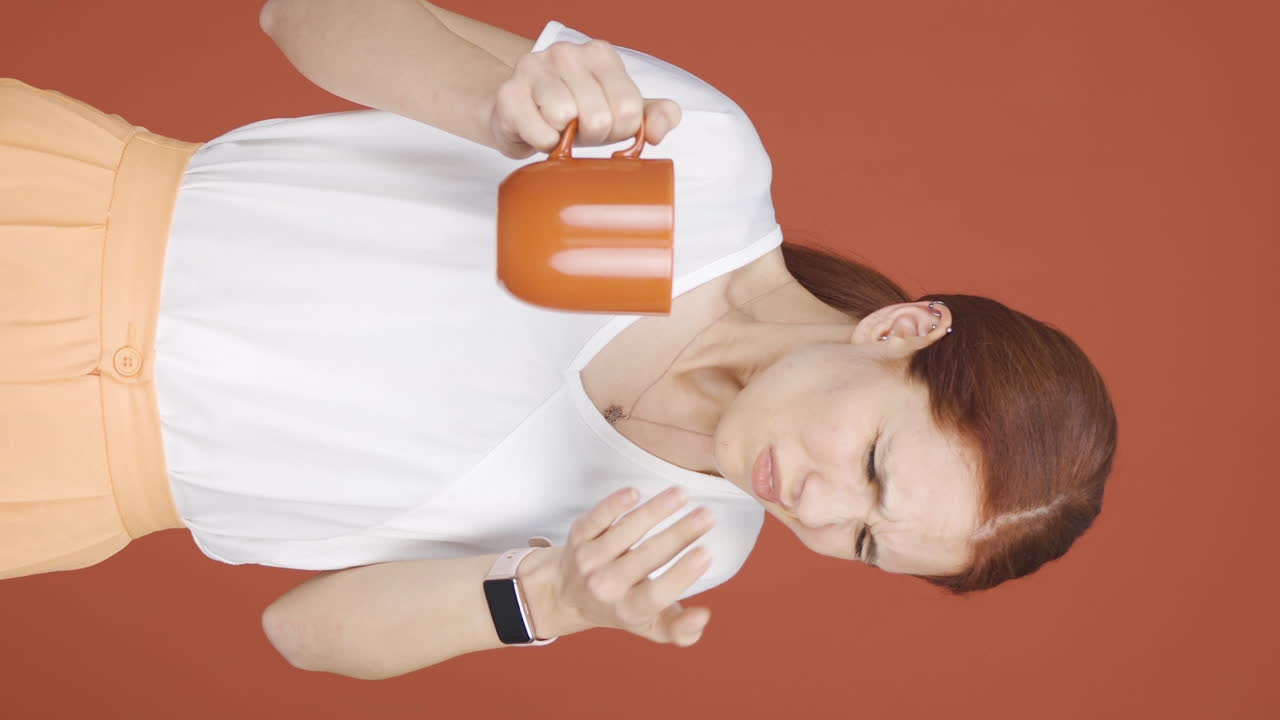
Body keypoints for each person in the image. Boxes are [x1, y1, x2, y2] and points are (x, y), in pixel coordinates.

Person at [0, 0, 1117, 679]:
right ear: (899, 331)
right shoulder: (697, 171)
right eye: (873, 464)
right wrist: (492, 103)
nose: (819, 510)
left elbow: (308, 632)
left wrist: (553, 603)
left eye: (866, 543)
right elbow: (307, 19)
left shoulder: (675, 548)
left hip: (53, 482)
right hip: (52, 212)